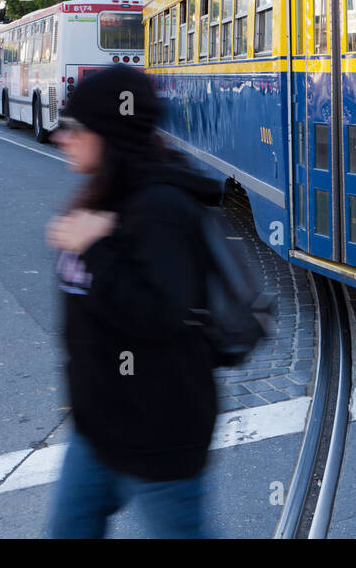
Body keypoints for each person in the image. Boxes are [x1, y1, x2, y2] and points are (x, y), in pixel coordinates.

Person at [45, 64, 224, 539]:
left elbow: (164, 314)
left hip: (158, 432)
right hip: (98, 426)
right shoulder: (105, 195)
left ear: (108, 133)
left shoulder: (159, 207)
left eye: (74, 128)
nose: (62, 138)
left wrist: (96, 248)